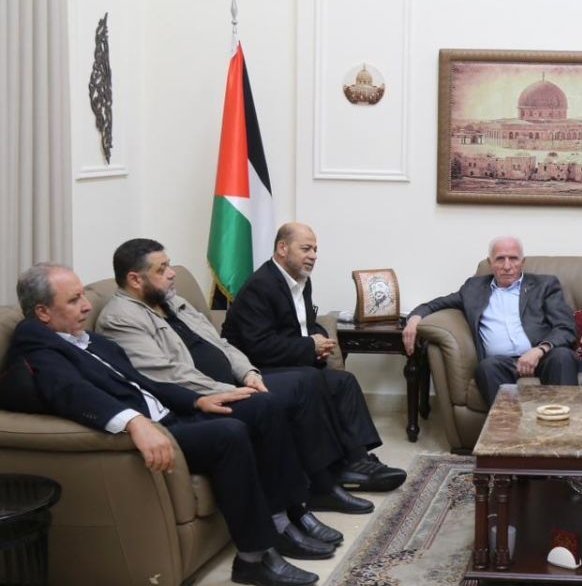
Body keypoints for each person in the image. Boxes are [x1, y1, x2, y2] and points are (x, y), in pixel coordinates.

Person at [7, 264, 327, 586]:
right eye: (74, 300)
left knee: (263, 406)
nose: (87, 306)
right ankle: (254, 559)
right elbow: (71, 392)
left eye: (83, 297)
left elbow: (143, 383)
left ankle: (288, 516)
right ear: (43, 312)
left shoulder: (84, 338)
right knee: (229, 433)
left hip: (175, 413)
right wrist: (134, 422)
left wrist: (197, 400)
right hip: (159, 430)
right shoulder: (36, 345)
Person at [96, 237, 381, 517]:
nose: (172, 274)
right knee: (296, 388)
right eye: (162, 269)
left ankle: (338, 470)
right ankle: (320, 487)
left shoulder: (173, 302)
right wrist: (224, 389)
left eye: (169, 265)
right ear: (135, 280)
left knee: (310, 380)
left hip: (232, 383)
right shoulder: (120, 318)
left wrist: (248, 373)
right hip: (205, 396)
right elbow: (166, 373)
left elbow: (221, 344)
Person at [221, 222, 405, 491]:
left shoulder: (301, 281)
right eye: (306, 249)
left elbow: (302, 326)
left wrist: (319, 340)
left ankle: (358, 460)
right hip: (255, 371)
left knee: (344, 381)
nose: (313, 256)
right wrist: (309, 347)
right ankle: (343, 467)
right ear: (282, 248)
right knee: (313, 379)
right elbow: (258, 346)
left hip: (285, 363)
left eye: (315, 250)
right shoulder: (260, 286)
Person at [402, 236, 577, 406]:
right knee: (486, 367)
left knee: (563, 356)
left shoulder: (545, 285)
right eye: (500, 259)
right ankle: (509, 422)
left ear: (522, 262)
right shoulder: (473, 288)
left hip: (541, 356)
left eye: (513, 258)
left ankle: (565, 423)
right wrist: (414, 319)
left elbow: (565, 327)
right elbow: (435, 304)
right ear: (490, 262)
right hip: (500, 363)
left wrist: (539, 350)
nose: (507, 266)